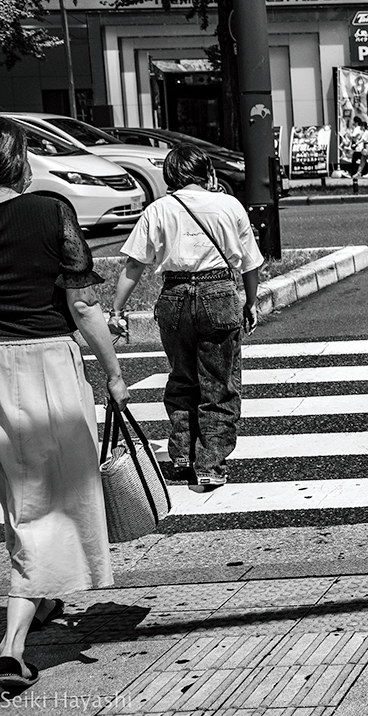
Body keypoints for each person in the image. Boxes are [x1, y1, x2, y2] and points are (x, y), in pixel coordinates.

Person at [0, 117, 127, 693]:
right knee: (48, 502)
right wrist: (115, 372)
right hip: (46, 364)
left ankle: (42, 598)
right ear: (18, 160)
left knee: (21, 498)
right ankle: (12, 645)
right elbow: (81, 306)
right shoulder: (50, 211)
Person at [110, 146, 264, 489]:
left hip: (174, 296)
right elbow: (251, 263)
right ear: (206, 172)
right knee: (219, 384)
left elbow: (135, 264)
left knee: (181, 377)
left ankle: (181, 454)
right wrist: (250, 302)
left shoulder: (158, 210)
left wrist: (117, 309)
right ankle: (209, 463)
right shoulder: (229, 205)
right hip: (219, 293)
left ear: (170, 177)